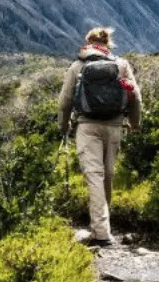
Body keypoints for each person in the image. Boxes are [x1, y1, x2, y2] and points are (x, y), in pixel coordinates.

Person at [57, 27, 142, 248]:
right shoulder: (121, 65)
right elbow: (135, 96)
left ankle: (101, 233)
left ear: (88, 43)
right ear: (108, 44)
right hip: (114, 127)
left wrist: (64, 126)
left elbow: (65, 101)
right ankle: (103, 227)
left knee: (94, 175)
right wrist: (134, 124)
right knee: (108, 175)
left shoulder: (78, 66)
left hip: (87, 126)